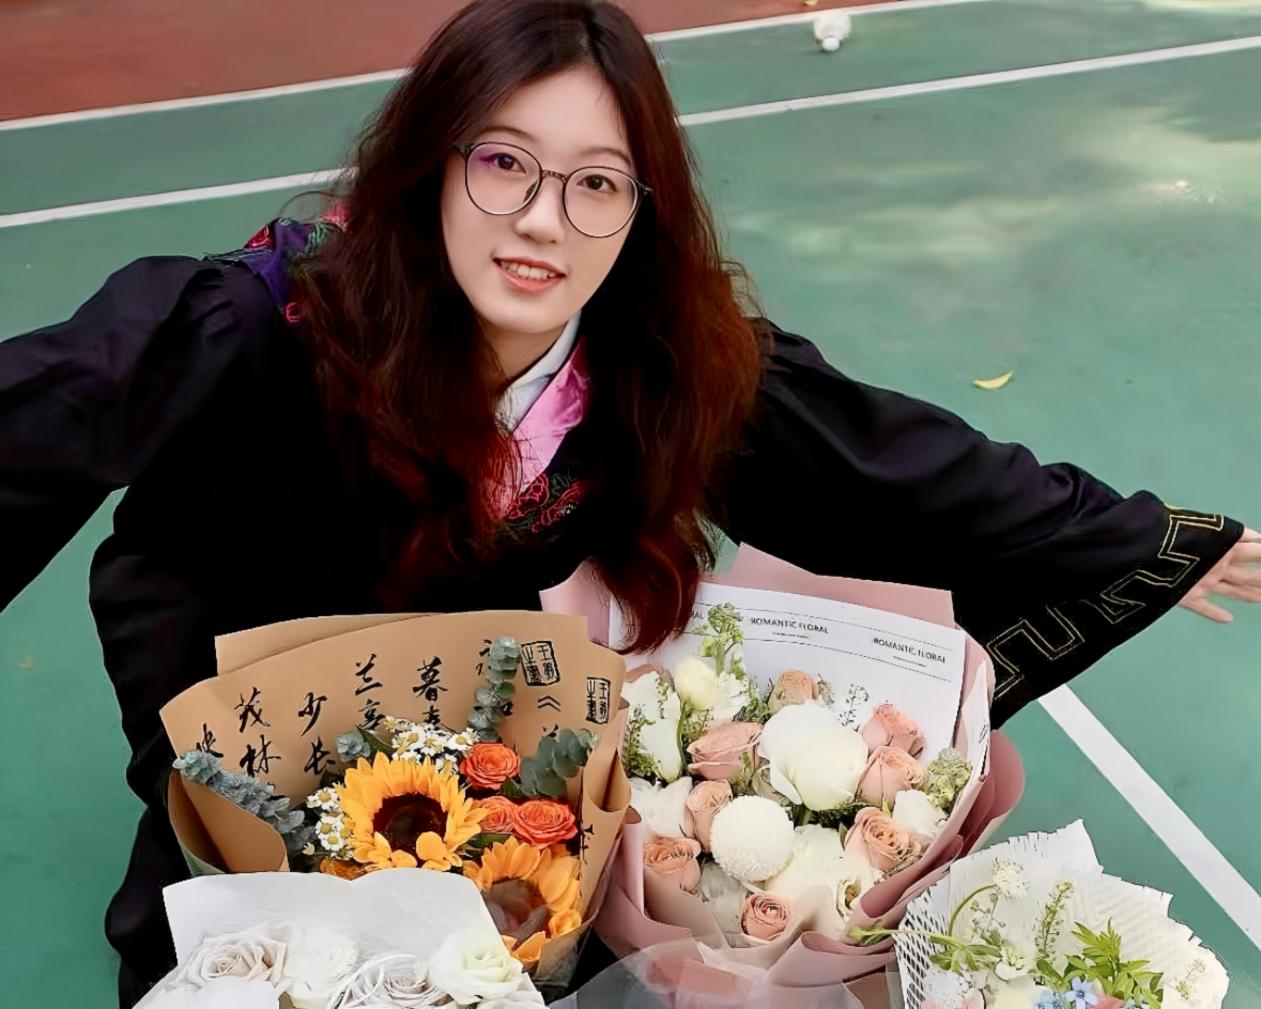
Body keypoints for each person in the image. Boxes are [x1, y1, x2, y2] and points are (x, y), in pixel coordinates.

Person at [0, 0, 1256, 1004]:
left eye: (595, 183)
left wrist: (1137, 541)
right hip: (256, 721)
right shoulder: (267, 323)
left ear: (639, 208)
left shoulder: (654, 364)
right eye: (504, 164)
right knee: (225, 961)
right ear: (431, 164)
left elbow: (896, 464)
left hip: (486, 750)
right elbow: (36, 418)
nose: (541, 223)